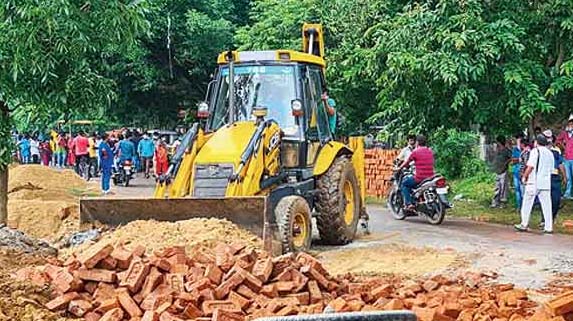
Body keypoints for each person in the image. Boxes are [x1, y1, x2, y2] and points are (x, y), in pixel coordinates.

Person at [514, 134, 554, 233]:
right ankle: (549, 227)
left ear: (537, 142)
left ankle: (524, 223)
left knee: (527, 203)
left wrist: (524, 176)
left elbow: (530, 166)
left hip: (534, 182)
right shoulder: (550, 153)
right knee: (547, 206)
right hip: (545, 183)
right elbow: (551, 169)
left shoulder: (535, 151)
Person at [398, 135, 435, 209]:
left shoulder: (415, 152)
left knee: (404, 184)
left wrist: (399, 168)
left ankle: (408, 204)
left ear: (417, 142)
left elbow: (406, 163)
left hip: (420, 177)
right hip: (431, 177)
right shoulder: (430, 151)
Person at [543, 130, 566, 225]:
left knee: (556, 199)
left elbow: (560, 164)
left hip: (555, 176)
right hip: (544, 176)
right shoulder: (540, 150)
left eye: (550, 137)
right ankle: (544, 219)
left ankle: (552, 217)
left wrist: (564, 176)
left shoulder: (556, 150)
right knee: (544, 199)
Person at [491, 136, 512, 208]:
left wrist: (506, 164)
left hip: (503, 171)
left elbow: (510, 158)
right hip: (497, 171)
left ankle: (503, 203)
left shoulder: (506, 151)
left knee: (503, 188)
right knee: (497, 187)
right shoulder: (497, 150)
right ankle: (495, 202)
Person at [556, 117, 573, 198]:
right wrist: (563, 146)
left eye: (572, 125)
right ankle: (568, 193)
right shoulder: (564, 134)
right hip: (566, 158)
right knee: (568, 176)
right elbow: (557, 141)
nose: (570, 126)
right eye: (569, 124)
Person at [511, 134, 524, 209]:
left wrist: (518, 159)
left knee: (523, 190)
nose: (518, 141)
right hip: (516, 171)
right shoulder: (515, 149)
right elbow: (513, 160)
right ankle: (519, 206)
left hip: (522, 172)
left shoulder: (526, 149)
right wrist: (519, 159)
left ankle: (524, 206)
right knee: (517, 189)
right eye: (517, 140)